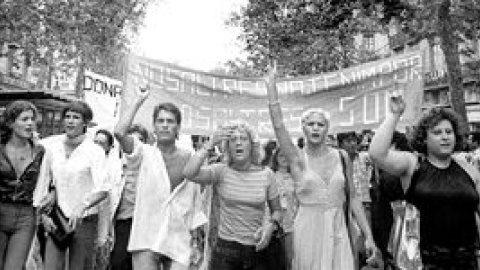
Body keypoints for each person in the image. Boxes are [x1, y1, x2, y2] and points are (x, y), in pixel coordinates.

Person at [265, 62, 377, 270]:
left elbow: (353, 197)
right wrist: (272, 90)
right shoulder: (297, 159)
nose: (315, 128)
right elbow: (279, 126)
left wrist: (368, 235)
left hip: (339, 229)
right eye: (311, 124)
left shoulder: (342, 156)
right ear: (303, 129)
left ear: (327, 129)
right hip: (308, 228)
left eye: (321, 124)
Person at [369, 95, 480, 269]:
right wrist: (394, 115)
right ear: (424, 138)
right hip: (424, 261)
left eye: (448, 132)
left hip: (467, 260)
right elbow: (377, 154)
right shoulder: (412, 164)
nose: (445, 137)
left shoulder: (469, 169)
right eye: (437, 132)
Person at [114, 86, 206, 270]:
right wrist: (139, 100)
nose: (165, 125)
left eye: (170, 121)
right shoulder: (144, 153)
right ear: (154, 126)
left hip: (179, 235)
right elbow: (119, 133)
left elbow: (197, 199)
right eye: (160, 121)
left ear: (178, 127)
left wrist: (197, 235)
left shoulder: (190, 155)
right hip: (146, 234)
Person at [182, 120, 283, 270]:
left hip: (257, 249)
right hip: (225, 252)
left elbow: (277, 211)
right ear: (227, 147)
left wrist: (270, 226)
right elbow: (189, 173)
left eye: (243, 139)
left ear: (252, 145)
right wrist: (210, 144)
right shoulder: (221, 171)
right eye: (233, 140)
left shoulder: (267, 175)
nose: (238, 143)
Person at [38, 100, 110, 270]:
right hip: (57, 218)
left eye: (76, 117)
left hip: (84, 220)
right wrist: (44, 216)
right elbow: (44, 184)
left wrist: (82, 206)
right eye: (67, 117)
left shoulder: (94, 151)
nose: (70, 121)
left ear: (85, 122)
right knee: (50, 265)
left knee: (80, 266)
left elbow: (103, 189)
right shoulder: (52, 147)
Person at [0, 100, 50, 269]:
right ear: (11, 123)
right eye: (24, 119)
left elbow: (51, 180)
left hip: (26, 215)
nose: (30, 123)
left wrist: (52, 194)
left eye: (32, 119)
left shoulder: (40, 151)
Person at [109, 124, 148, 270]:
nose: (136, 145)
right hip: (120, 222)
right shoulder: (115, 166)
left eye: (141, 140)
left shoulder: (149, 167)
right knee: (118, 262)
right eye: (132, 140)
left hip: (142, 222)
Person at [270, 148, 297, 270]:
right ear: (276, 158)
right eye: (281, 155)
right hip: (276, 223)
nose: (284, 158)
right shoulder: (271, 176)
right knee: (276, 259)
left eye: (287, 155)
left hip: (292, 222)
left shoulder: (296, 177)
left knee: (291, 257)